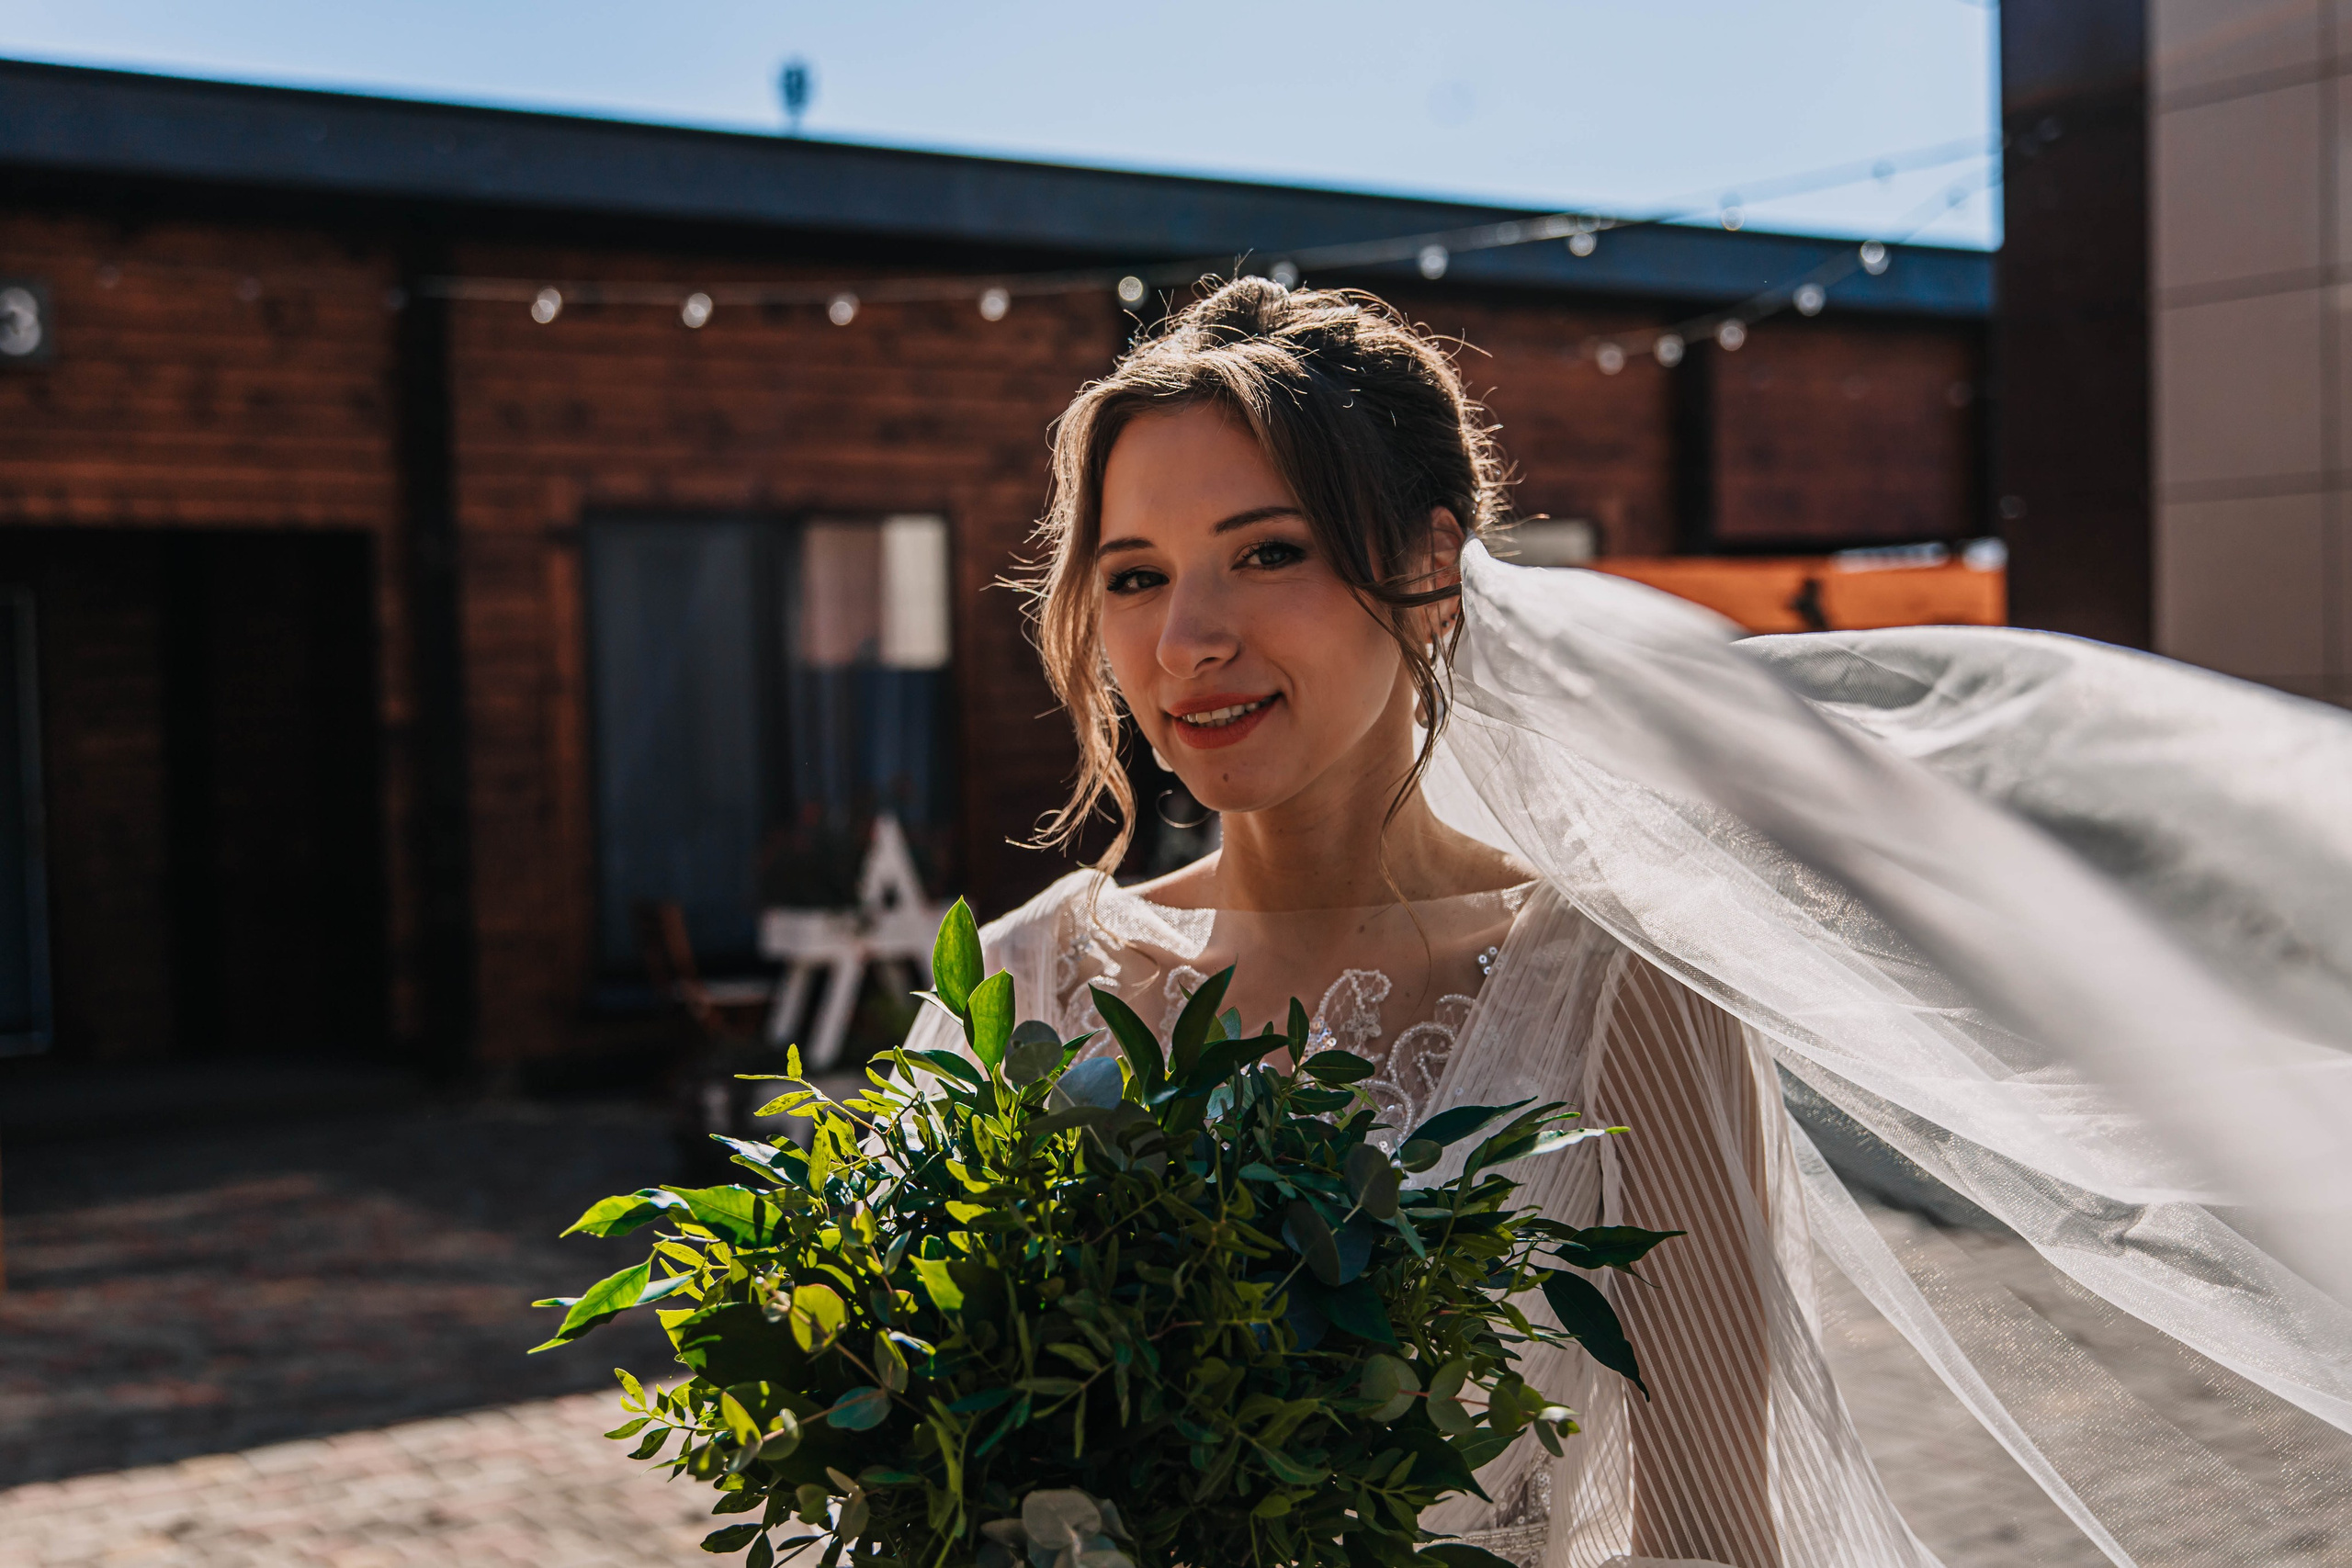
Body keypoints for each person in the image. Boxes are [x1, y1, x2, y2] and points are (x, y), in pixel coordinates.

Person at [905, 279, 2352, 1566]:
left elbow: (1714, 1537)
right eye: (1136, 575)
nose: (1186, 640)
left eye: (1267, 553)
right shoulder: (1028, 982)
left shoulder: (1617, 988)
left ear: (1429, 571)